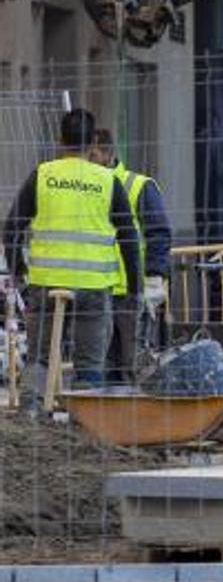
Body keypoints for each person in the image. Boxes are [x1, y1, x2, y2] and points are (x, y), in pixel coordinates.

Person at [2, 108, 140, 395]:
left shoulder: (42, 176)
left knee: (39, 359)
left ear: (60, 141)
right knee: (89, 365)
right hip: (93, 288)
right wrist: (134, 286)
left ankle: (33, 417)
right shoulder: (106, 181)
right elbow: (128, 236)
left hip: (45, 284)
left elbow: (12, 228)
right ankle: (84, 426)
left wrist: (19, 273)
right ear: (92, 144)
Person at [91, 128, 172, 382]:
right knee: (102, 365)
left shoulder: (138, 186)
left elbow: (159, 233)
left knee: (134, 365)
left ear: (107, 154)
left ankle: (138, 417)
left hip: (131, 293)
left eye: (92, 155)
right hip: (98, 291)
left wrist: (154, 277)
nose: (87, 160)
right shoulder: (88, 188)